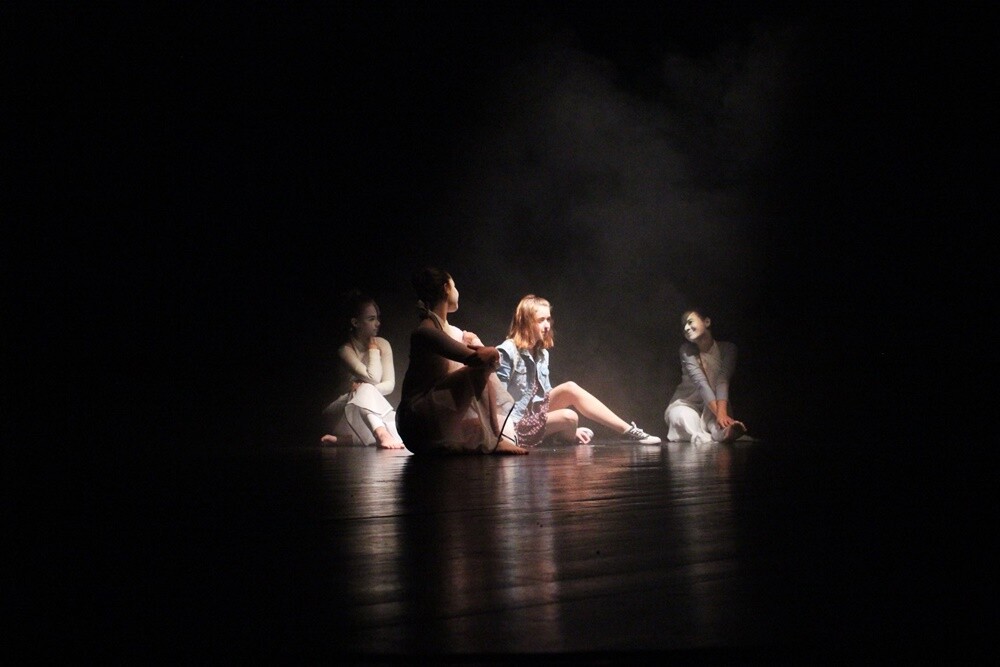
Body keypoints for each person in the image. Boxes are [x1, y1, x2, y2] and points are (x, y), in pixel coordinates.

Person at [495, 294, 662, 447]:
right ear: (526, 322)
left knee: (570, 388)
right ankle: (562, 434)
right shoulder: (507, 351)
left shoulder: (542, 353)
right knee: (570, 417)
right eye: (540, 320)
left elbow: (544, 395)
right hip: (515, 425)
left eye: (548, 319)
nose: (547, 325)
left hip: (533, 416)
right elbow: (496, 400)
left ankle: (629, 431)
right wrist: (501, 437)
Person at [396, 267, 528, 455]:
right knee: (479, 368)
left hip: (439, 411)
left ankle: (495, 435)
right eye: (455, 286)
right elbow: (477, 361)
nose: (457, 291)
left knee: (495, 429)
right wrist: (488, 350)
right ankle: (495, 438)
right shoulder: (426, 332)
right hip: (418, 420)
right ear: (446, 288)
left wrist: (478, 345)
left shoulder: (455, 332)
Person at [320, 290, 405, 449]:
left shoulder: (383, 344)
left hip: (364, 413)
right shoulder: (345, 350)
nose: (377, 323)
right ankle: (380, 434)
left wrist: (363, 389)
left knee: (402, 430)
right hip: (339, 414)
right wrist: (373, 350)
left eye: (377, 318)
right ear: (355, 322)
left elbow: (389, 385)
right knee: (365, 389)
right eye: (371, 319)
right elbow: (373, 378)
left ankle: (349, 440)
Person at [663, 309, 747, 444]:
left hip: (716, 404)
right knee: (682, 417)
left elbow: (723, 380)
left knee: (719, 424)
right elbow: (701, 383)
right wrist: (720, 414)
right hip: (687, 403)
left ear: (707, 322)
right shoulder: (686, 350)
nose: (686, 328)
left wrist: (721, 414)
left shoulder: (728, 349)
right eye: (683, 326)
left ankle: (727, 432)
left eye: (690, 322)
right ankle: (702, 437)